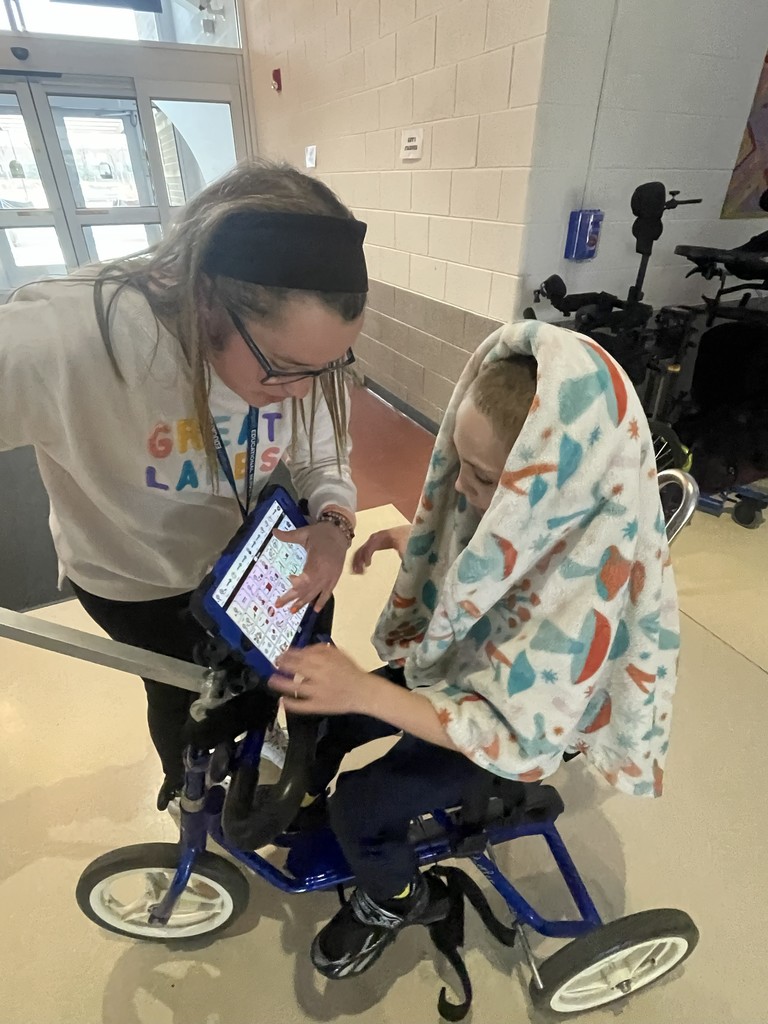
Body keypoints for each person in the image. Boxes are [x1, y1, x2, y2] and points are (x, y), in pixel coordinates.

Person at [269, 319, 680, 979]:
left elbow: (507, 730)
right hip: (474, 680)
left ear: (554, 492)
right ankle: (307, 797)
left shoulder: (577, 608)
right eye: (460, 464)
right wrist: (419, 543)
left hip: (512, 732)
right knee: (321, 715)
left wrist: (367, 689)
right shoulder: (540, 519)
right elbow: (491, 568)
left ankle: (398, 899)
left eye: (486, 480)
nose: (460, 489)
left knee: (362, 804)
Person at [0, 160, 367, 809]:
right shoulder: (70, 333)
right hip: (138, 579)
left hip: (248, 553)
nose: (304, 391)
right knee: (187, 701)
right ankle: (193, 802)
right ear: (205, 299)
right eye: (284, 369)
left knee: (264, 677)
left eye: (326, 366)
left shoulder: (299, 341)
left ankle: (261, 750)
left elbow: (322, 447)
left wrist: (335, 523)